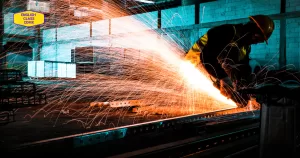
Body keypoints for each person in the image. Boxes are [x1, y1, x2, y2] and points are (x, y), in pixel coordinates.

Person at [185, 15, 275, 106]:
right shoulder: (226, 32)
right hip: (194, 66)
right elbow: (207, 57)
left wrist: (247, 90)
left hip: (212, 69)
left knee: (241, 100)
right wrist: (223, 78)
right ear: (253, 31)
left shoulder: (245, 47)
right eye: (258, 39)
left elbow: (242, 70)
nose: (256, 42)